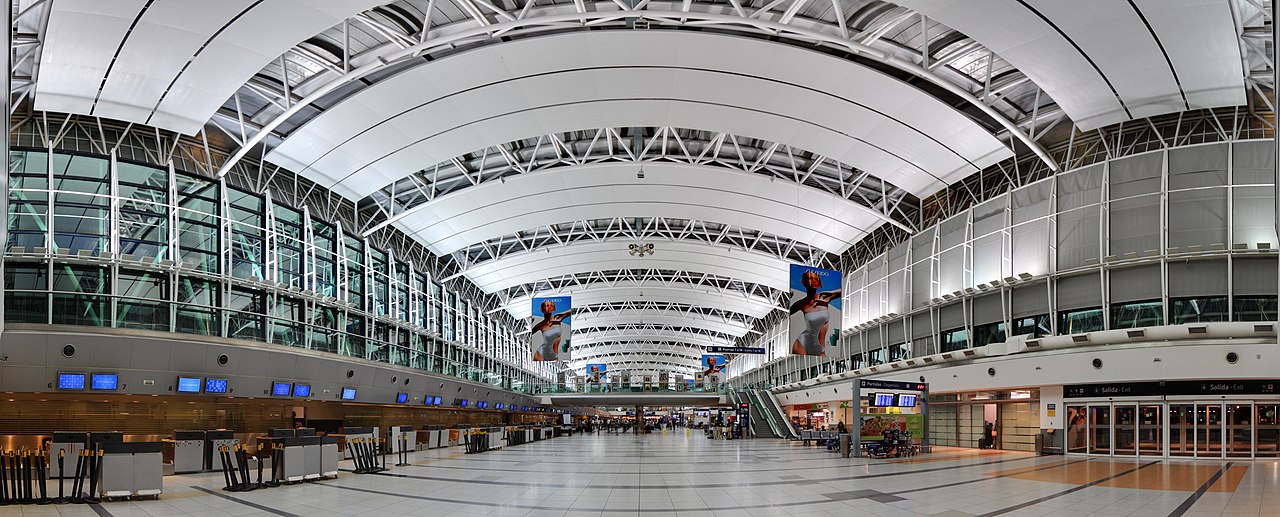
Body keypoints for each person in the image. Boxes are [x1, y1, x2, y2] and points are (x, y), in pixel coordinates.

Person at [790, 269, 841, 356]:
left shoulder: (824, 297)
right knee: (800, 369)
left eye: (816, 279)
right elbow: (785, 314)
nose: (813, 281)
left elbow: (841, 291)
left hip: (820, 348)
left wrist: (831, 292)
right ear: (803, 282)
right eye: (810, 278)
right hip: (802, 343)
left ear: (819, 283)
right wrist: (787, 299)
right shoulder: (800, 304)